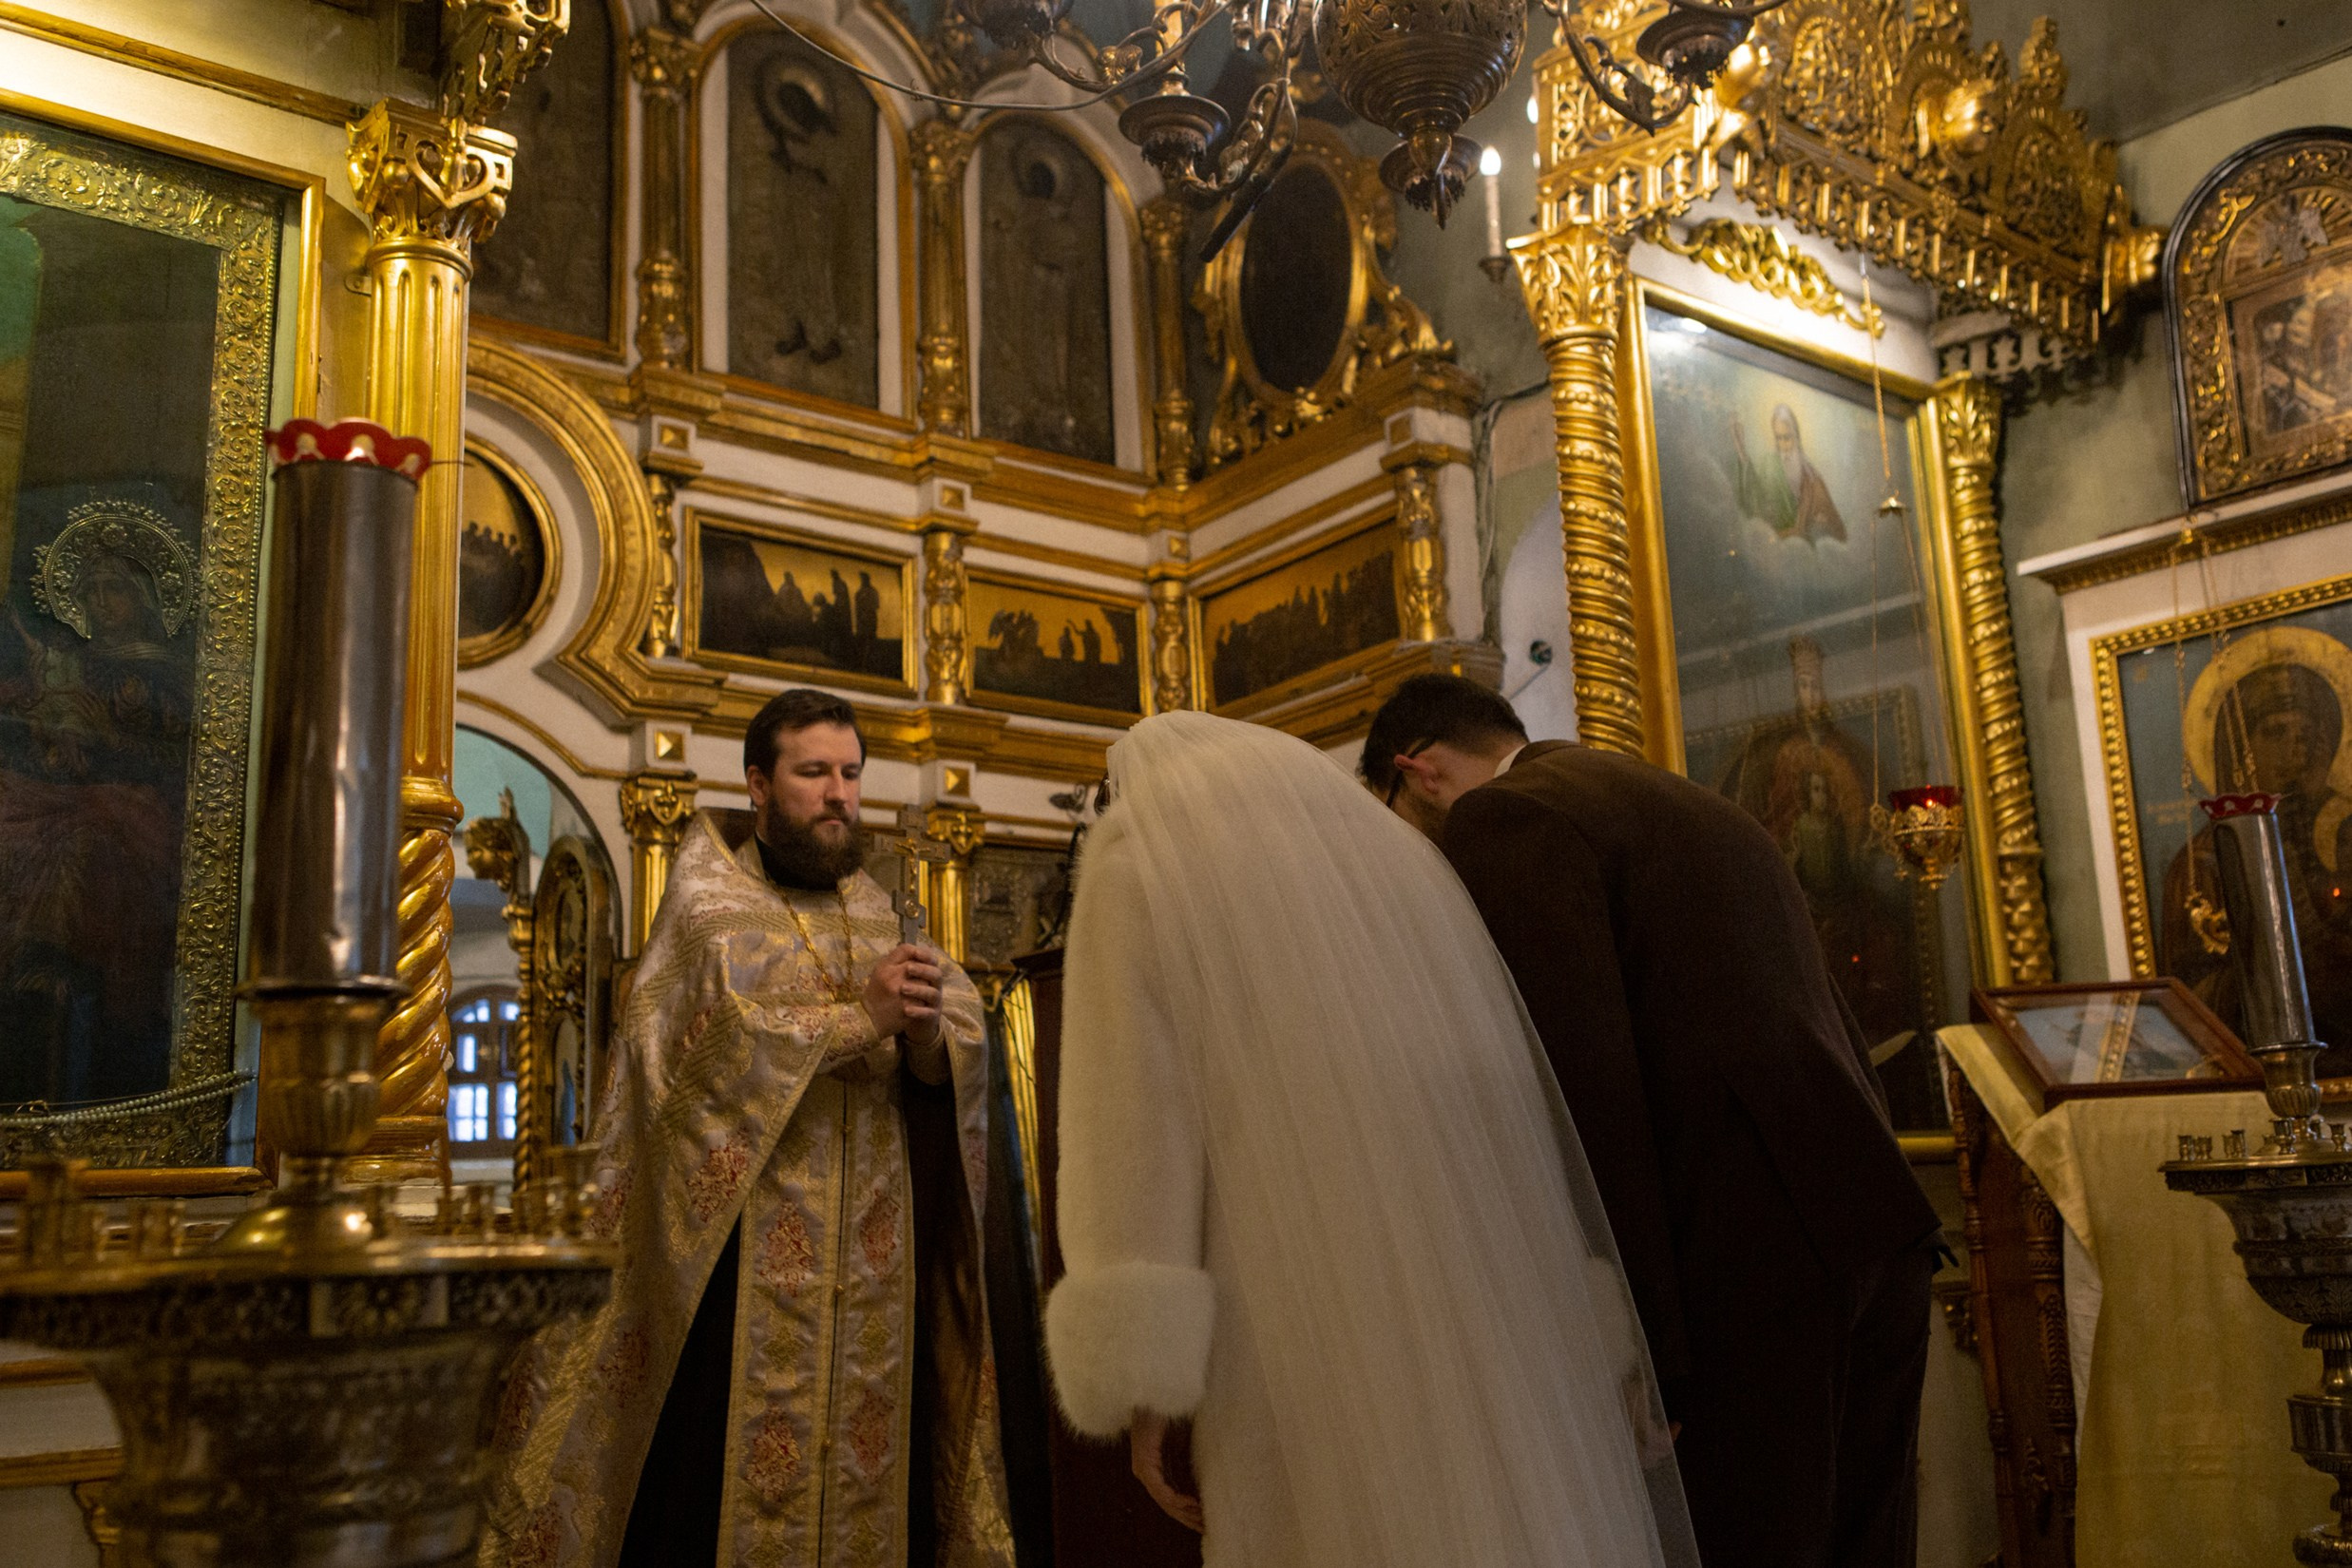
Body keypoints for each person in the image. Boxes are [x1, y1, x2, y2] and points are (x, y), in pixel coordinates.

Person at [1046, 711, 1696, 1568]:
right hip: (1477, 1293)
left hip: (1279, 1303)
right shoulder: (1403, 860)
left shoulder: (1140, 859)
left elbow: (1135, 1134)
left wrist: (1143, 1387)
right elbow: (1503, 1100)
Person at [1365, 673, 1940, 1568]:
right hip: (1866, 1220)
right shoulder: (1681, 801)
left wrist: (1636, 1346)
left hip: (1743, 1257)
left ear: (1418, 772)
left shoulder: (1506, 816)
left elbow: (1583, 1087)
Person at [483, 688, 1014, 1568]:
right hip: (734, 1273)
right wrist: (859, 1021)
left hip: (877, 1273)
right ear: (759, 785)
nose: (839, 793)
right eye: (814, 773)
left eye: (850, 773)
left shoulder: (880, 911)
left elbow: (949, 1052)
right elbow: (702, 1058)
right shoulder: (707, 910)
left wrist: (926, 1035)